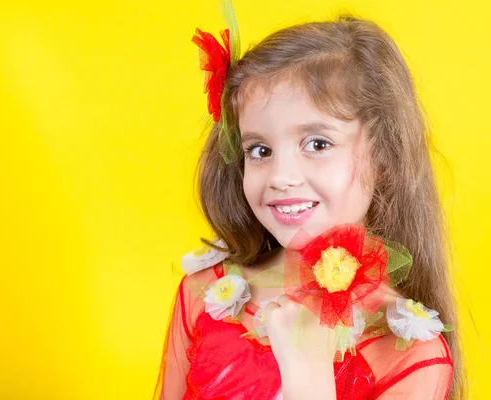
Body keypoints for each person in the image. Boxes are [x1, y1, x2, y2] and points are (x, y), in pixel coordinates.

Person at [153, 8, 465, 400]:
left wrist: (309, 377)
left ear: (384, 157)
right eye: (260, 149)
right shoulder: (206, 294)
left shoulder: (410, 353)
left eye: (318, 144)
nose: (281, 176)